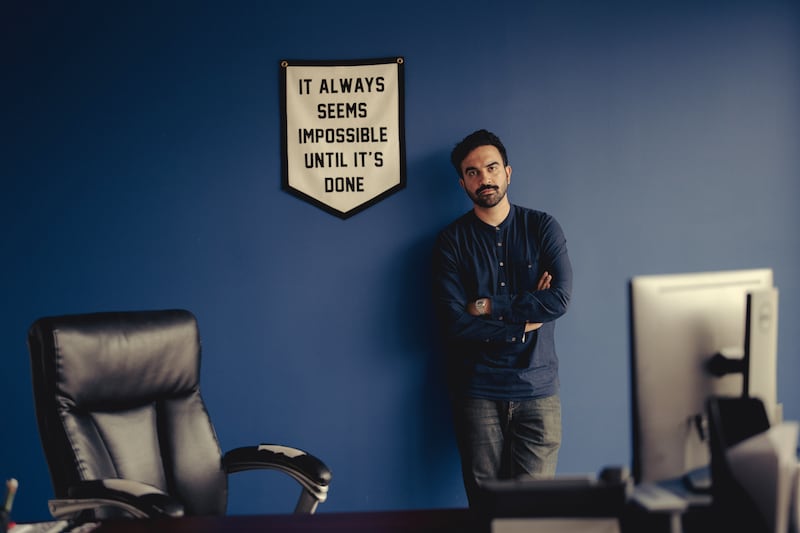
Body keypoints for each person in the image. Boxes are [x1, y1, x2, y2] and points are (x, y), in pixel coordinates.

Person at [431, 129, 573, 510]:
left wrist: (487, 306)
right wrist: (523, 318)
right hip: (477, 391)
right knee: (486, 512)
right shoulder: (451, 242)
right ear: (462, 182)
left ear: (508, 172)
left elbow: (558, 299)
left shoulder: (542, 228)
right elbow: (454, 323)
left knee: (534, 514)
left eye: (491, 168)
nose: (484, 179)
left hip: (537, 389)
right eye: (473, 172)